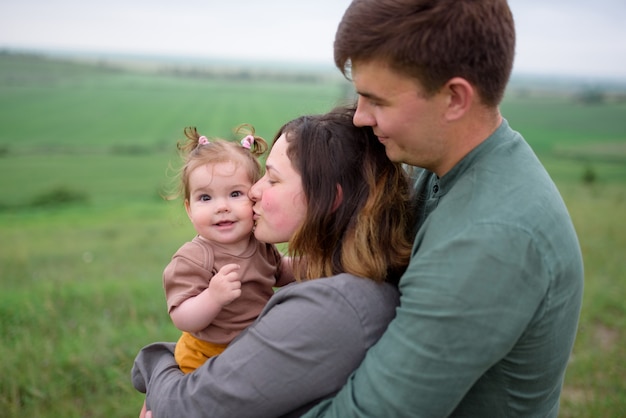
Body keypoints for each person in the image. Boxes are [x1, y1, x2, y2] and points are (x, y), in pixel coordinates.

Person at [302, 0, 584, 417]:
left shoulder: (493, 238)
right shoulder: (443, 169)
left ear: (454, 98)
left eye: (377, 100)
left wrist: (177, 387)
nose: (360, 117)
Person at [132, 105, 415, 417]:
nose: (253, 191)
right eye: (206, 197)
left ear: (328, 199)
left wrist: (156, 360)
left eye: (272, 178)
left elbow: (186, 408)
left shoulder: (331, 307)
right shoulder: (347, 281)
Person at [163, 126, 294, 374]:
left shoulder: (260, 242)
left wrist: (306, 264)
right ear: (189, 209)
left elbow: (279, 272)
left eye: (235, 194)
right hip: (205, 354)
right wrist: (212, 298)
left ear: (254, 196)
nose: (222, 207)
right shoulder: (194, 257)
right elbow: (181, 316)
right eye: (206, 198)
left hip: (253, 347)